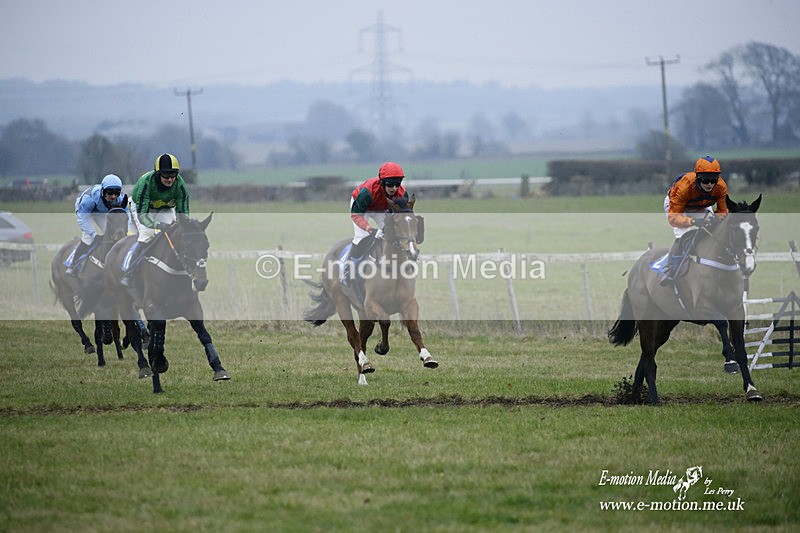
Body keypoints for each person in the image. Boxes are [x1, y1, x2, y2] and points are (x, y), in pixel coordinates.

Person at [121, 153, 190, 288]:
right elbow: (143, 215)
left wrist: (183, 225)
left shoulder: (180, 185)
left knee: (175, 232)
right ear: (158, 174)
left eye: (173, 175)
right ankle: (129, 273)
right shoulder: (146, 183)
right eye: (166, 176)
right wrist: (158, 225)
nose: (170, 179)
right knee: (147, 235)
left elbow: (183, 214)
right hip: (141, 208)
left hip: (164, 207)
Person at [659, 156, 729, 285]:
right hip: (677, 206)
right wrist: (692, 222)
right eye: (705, 179)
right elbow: (673, 218)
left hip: (701, 205)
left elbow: (722, 212)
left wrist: (717, 220)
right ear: (697, 177)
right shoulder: (684, 187)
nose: (710, 184)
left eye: (713, 179)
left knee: (715, 228)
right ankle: (670, 269)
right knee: (682, 234)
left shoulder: (721, 186)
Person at [340, 162, 410, 286]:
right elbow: (356, 215)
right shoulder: (367, 192)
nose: (394, 188)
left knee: (392, 233)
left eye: (397, 184)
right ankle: (348, 269)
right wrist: (371, 230)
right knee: (362, 236)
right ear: (382, 182)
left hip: (380, 208)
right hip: (362, 207)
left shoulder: (402, 194)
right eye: (390, 184)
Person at [65, 174, 135, 276]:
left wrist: (126, 230)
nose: (113, 196)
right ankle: (73, 264)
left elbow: (126, 215)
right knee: (88, 238)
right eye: (110, 193)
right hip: (86, 212)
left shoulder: (120, 198)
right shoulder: (88, 200)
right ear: (103, 191)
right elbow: (83, 220)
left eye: (116, 193)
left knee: (112, 234)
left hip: (102, 212)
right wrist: (94, 235)